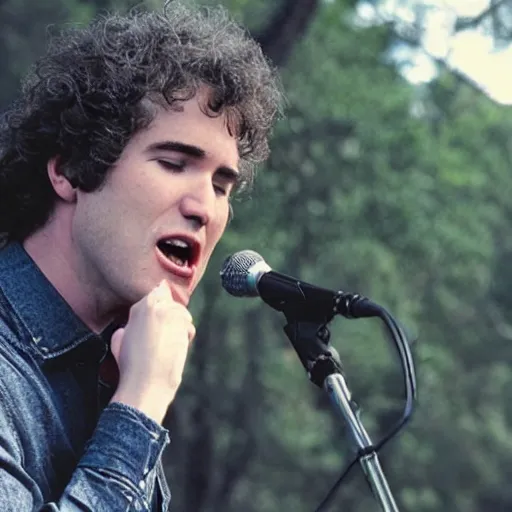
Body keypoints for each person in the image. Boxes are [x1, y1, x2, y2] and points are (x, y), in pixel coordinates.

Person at [0, 1, 283, 510]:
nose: (204, 208)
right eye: (174, 163)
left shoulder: (118, 365)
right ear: (68, 170)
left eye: (222, 185)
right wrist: (140, 406)